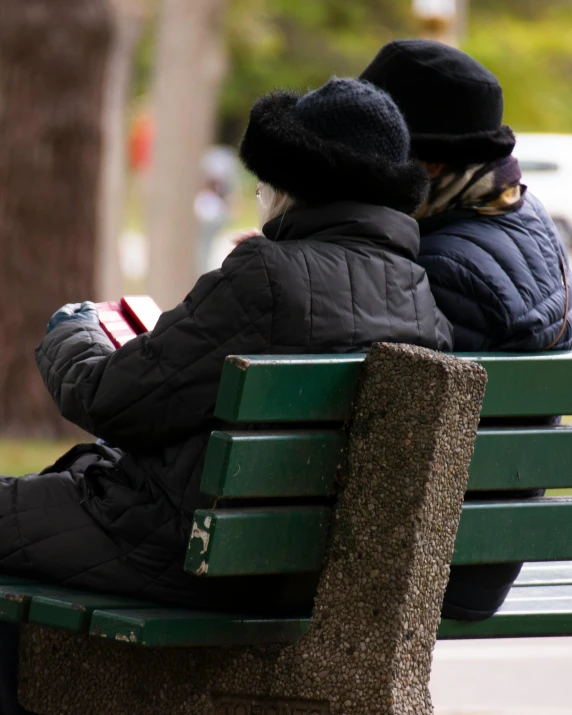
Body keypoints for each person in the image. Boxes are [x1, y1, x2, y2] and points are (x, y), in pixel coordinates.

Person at [0, 77, 452, 714]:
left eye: (265, 179)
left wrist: (72, 329)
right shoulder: (419, 297)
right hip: (310, 573)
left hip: (183, 549)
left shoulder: (266, 274)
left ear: (292, 182)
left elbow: (111, 400)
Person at [361, 40, 572, 621]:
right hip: (484, 550)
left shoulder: (439, 271)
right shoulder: (525, 220)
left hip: (421, 564)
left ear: (426, 167)